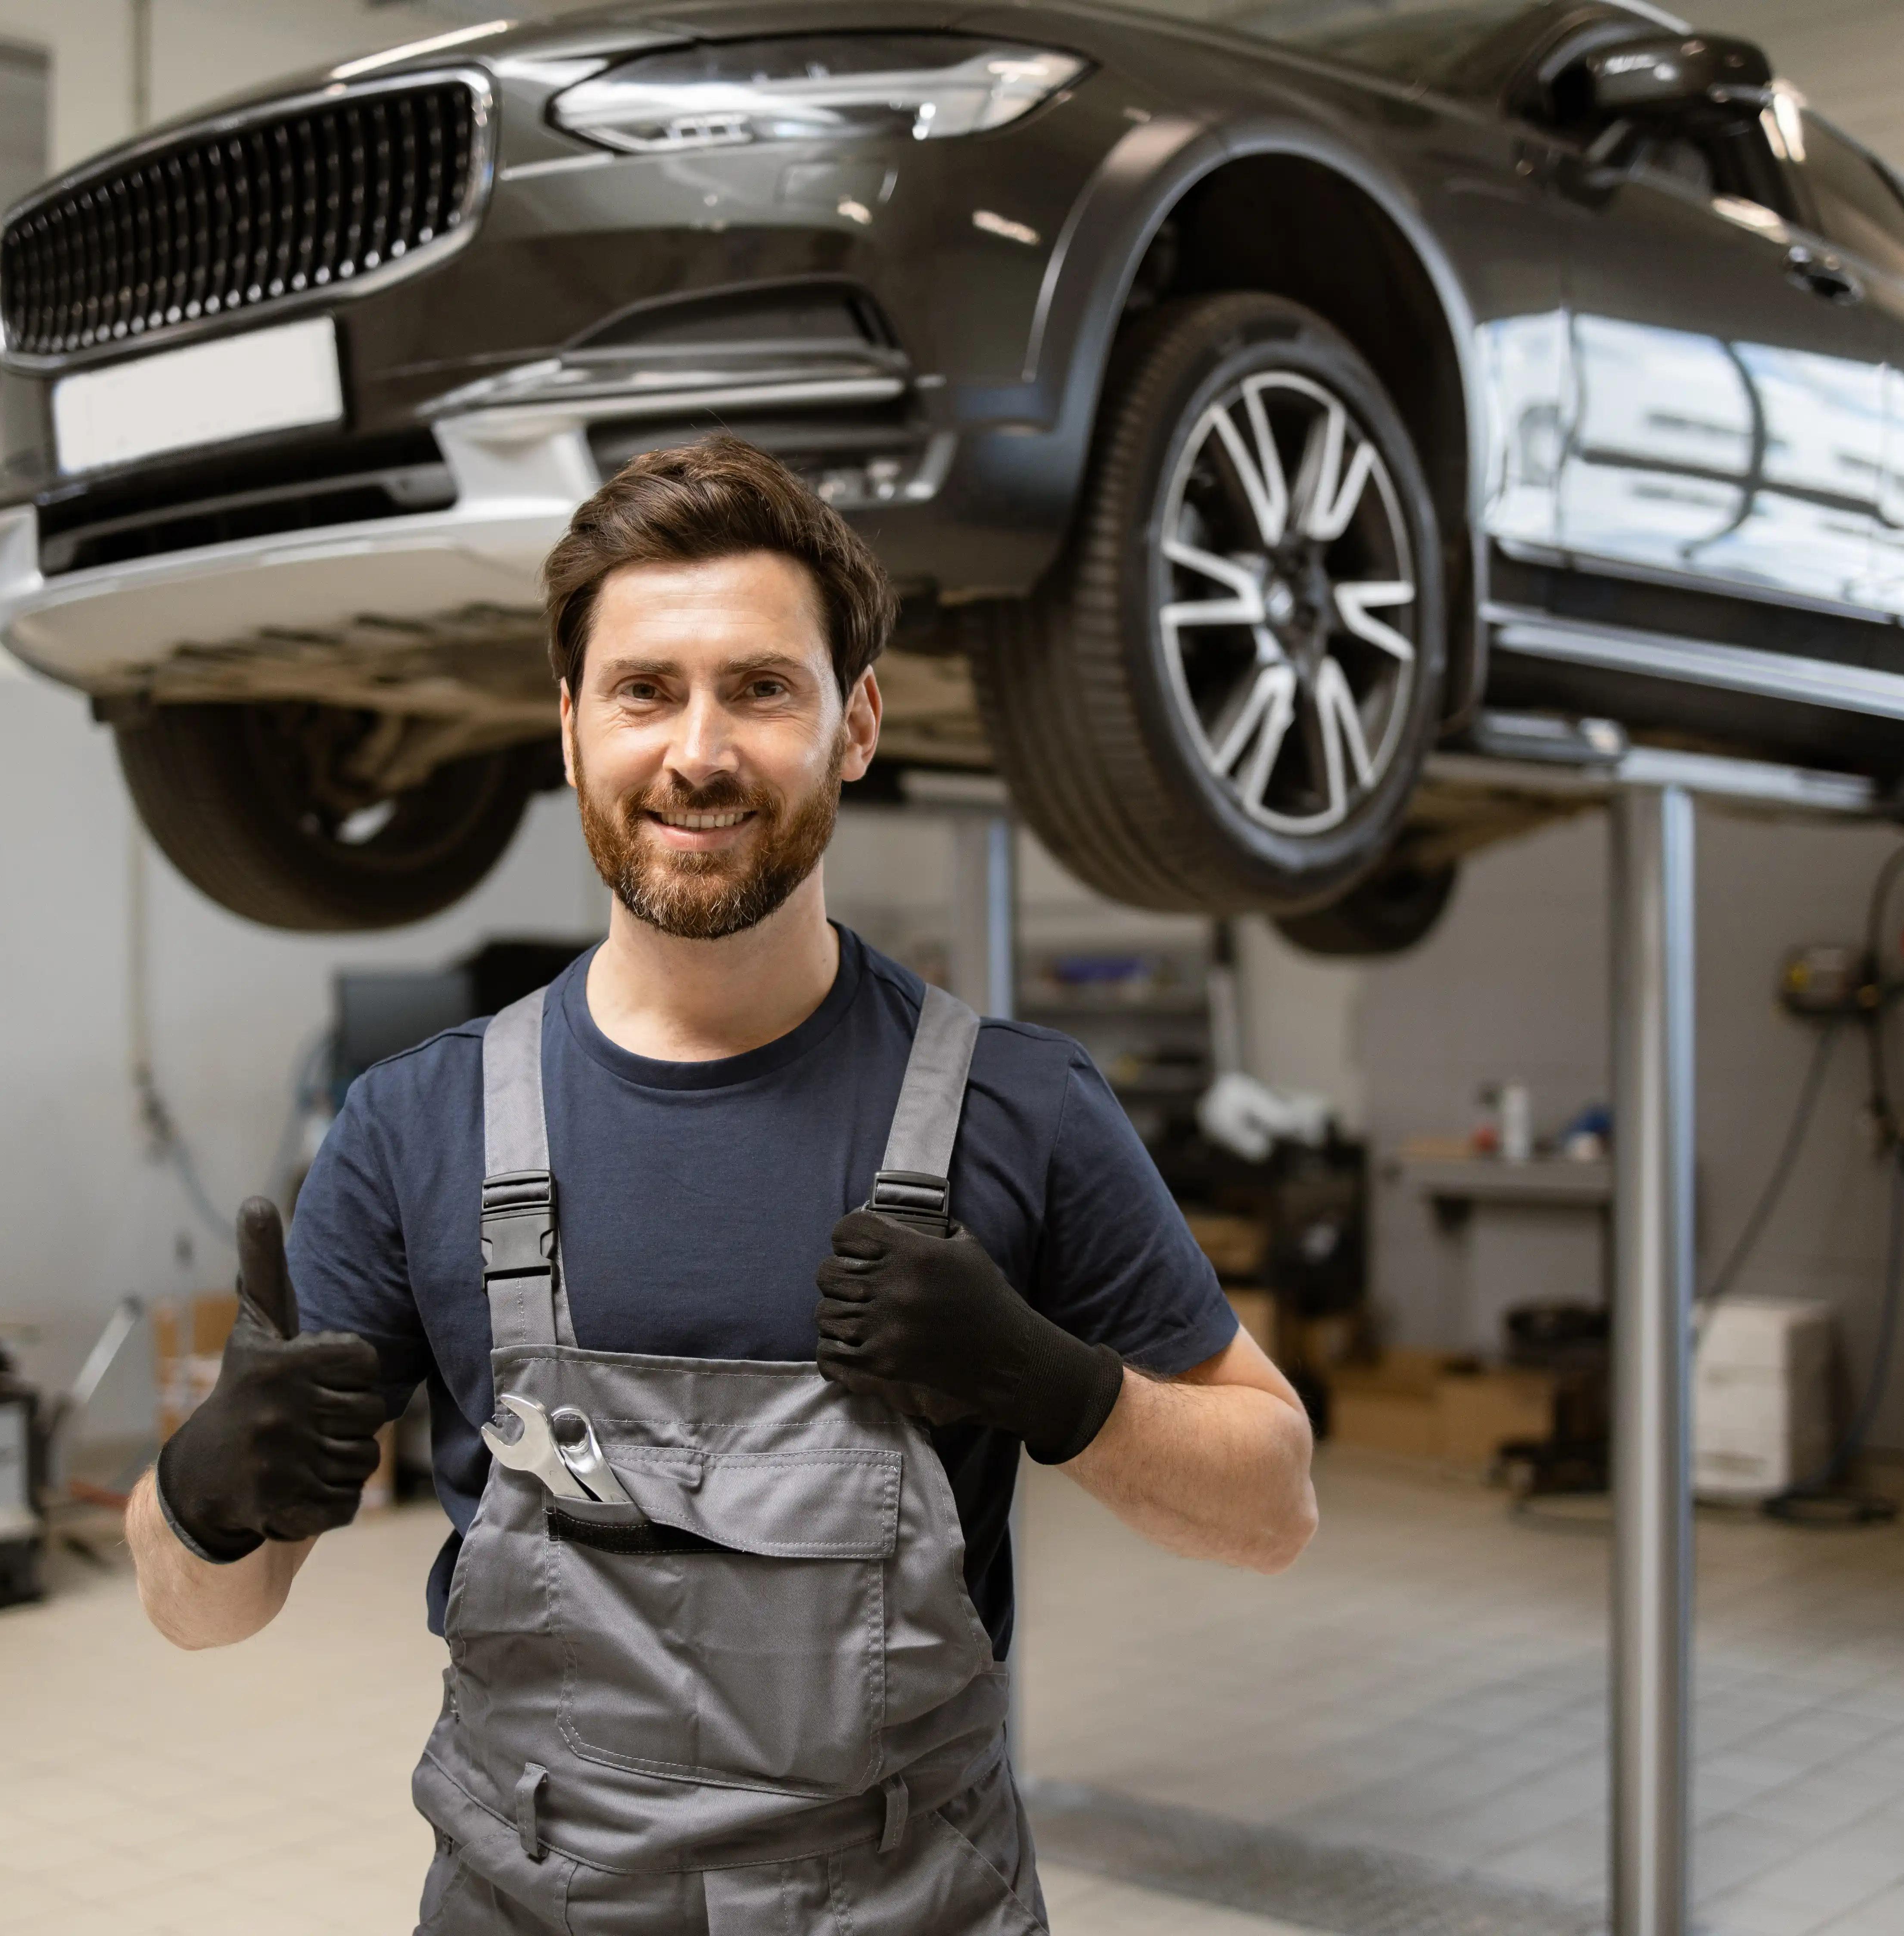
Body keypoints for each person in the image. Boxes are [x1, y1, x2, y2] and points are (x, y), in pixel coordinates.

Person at [124, 434, 1318, 1930]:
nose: (699, 751)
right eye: (644, 690)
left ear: (857, 723)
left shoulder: (1024, 1107)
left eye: (762, 687)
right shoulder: (414, 1127)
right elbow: (199, 1614)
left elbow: (1274, 1503)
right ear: (569, 730)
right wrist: (206, 1494)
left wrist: (1057, 1384)